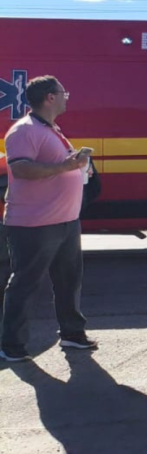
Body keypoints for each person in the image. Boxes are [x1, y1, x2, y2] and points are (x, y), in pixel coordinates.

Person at [0, 77, 96, 363]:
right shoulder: (24, 130)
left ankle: (72, 333)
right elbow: (22, 169)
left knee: (69, 280)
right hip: (34, 224)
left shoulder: (50, 128)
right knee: (26, 284)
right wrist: (66, 166)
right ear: (50, 98)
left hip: (66, 221)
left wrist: (78, 167)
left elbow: (56, 164)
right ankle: (11, 346)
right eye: (63, 93)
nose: (67, 97)